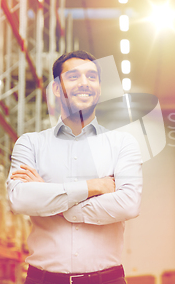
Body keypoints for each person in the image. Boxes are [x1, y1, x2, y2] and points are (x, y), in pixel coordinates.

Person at [7, 50, 143, 284]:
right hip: (43, 279)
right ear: (57, 88)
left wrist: (54, 199)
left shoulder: (123, 144)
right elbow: (20, 199)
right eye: (73, 77)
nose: (84, 83)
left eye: (92, 77)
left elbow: (129, 204)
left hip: (106, 279)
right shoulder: (30, 143)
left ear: (99, 88)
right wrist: (94, 186)